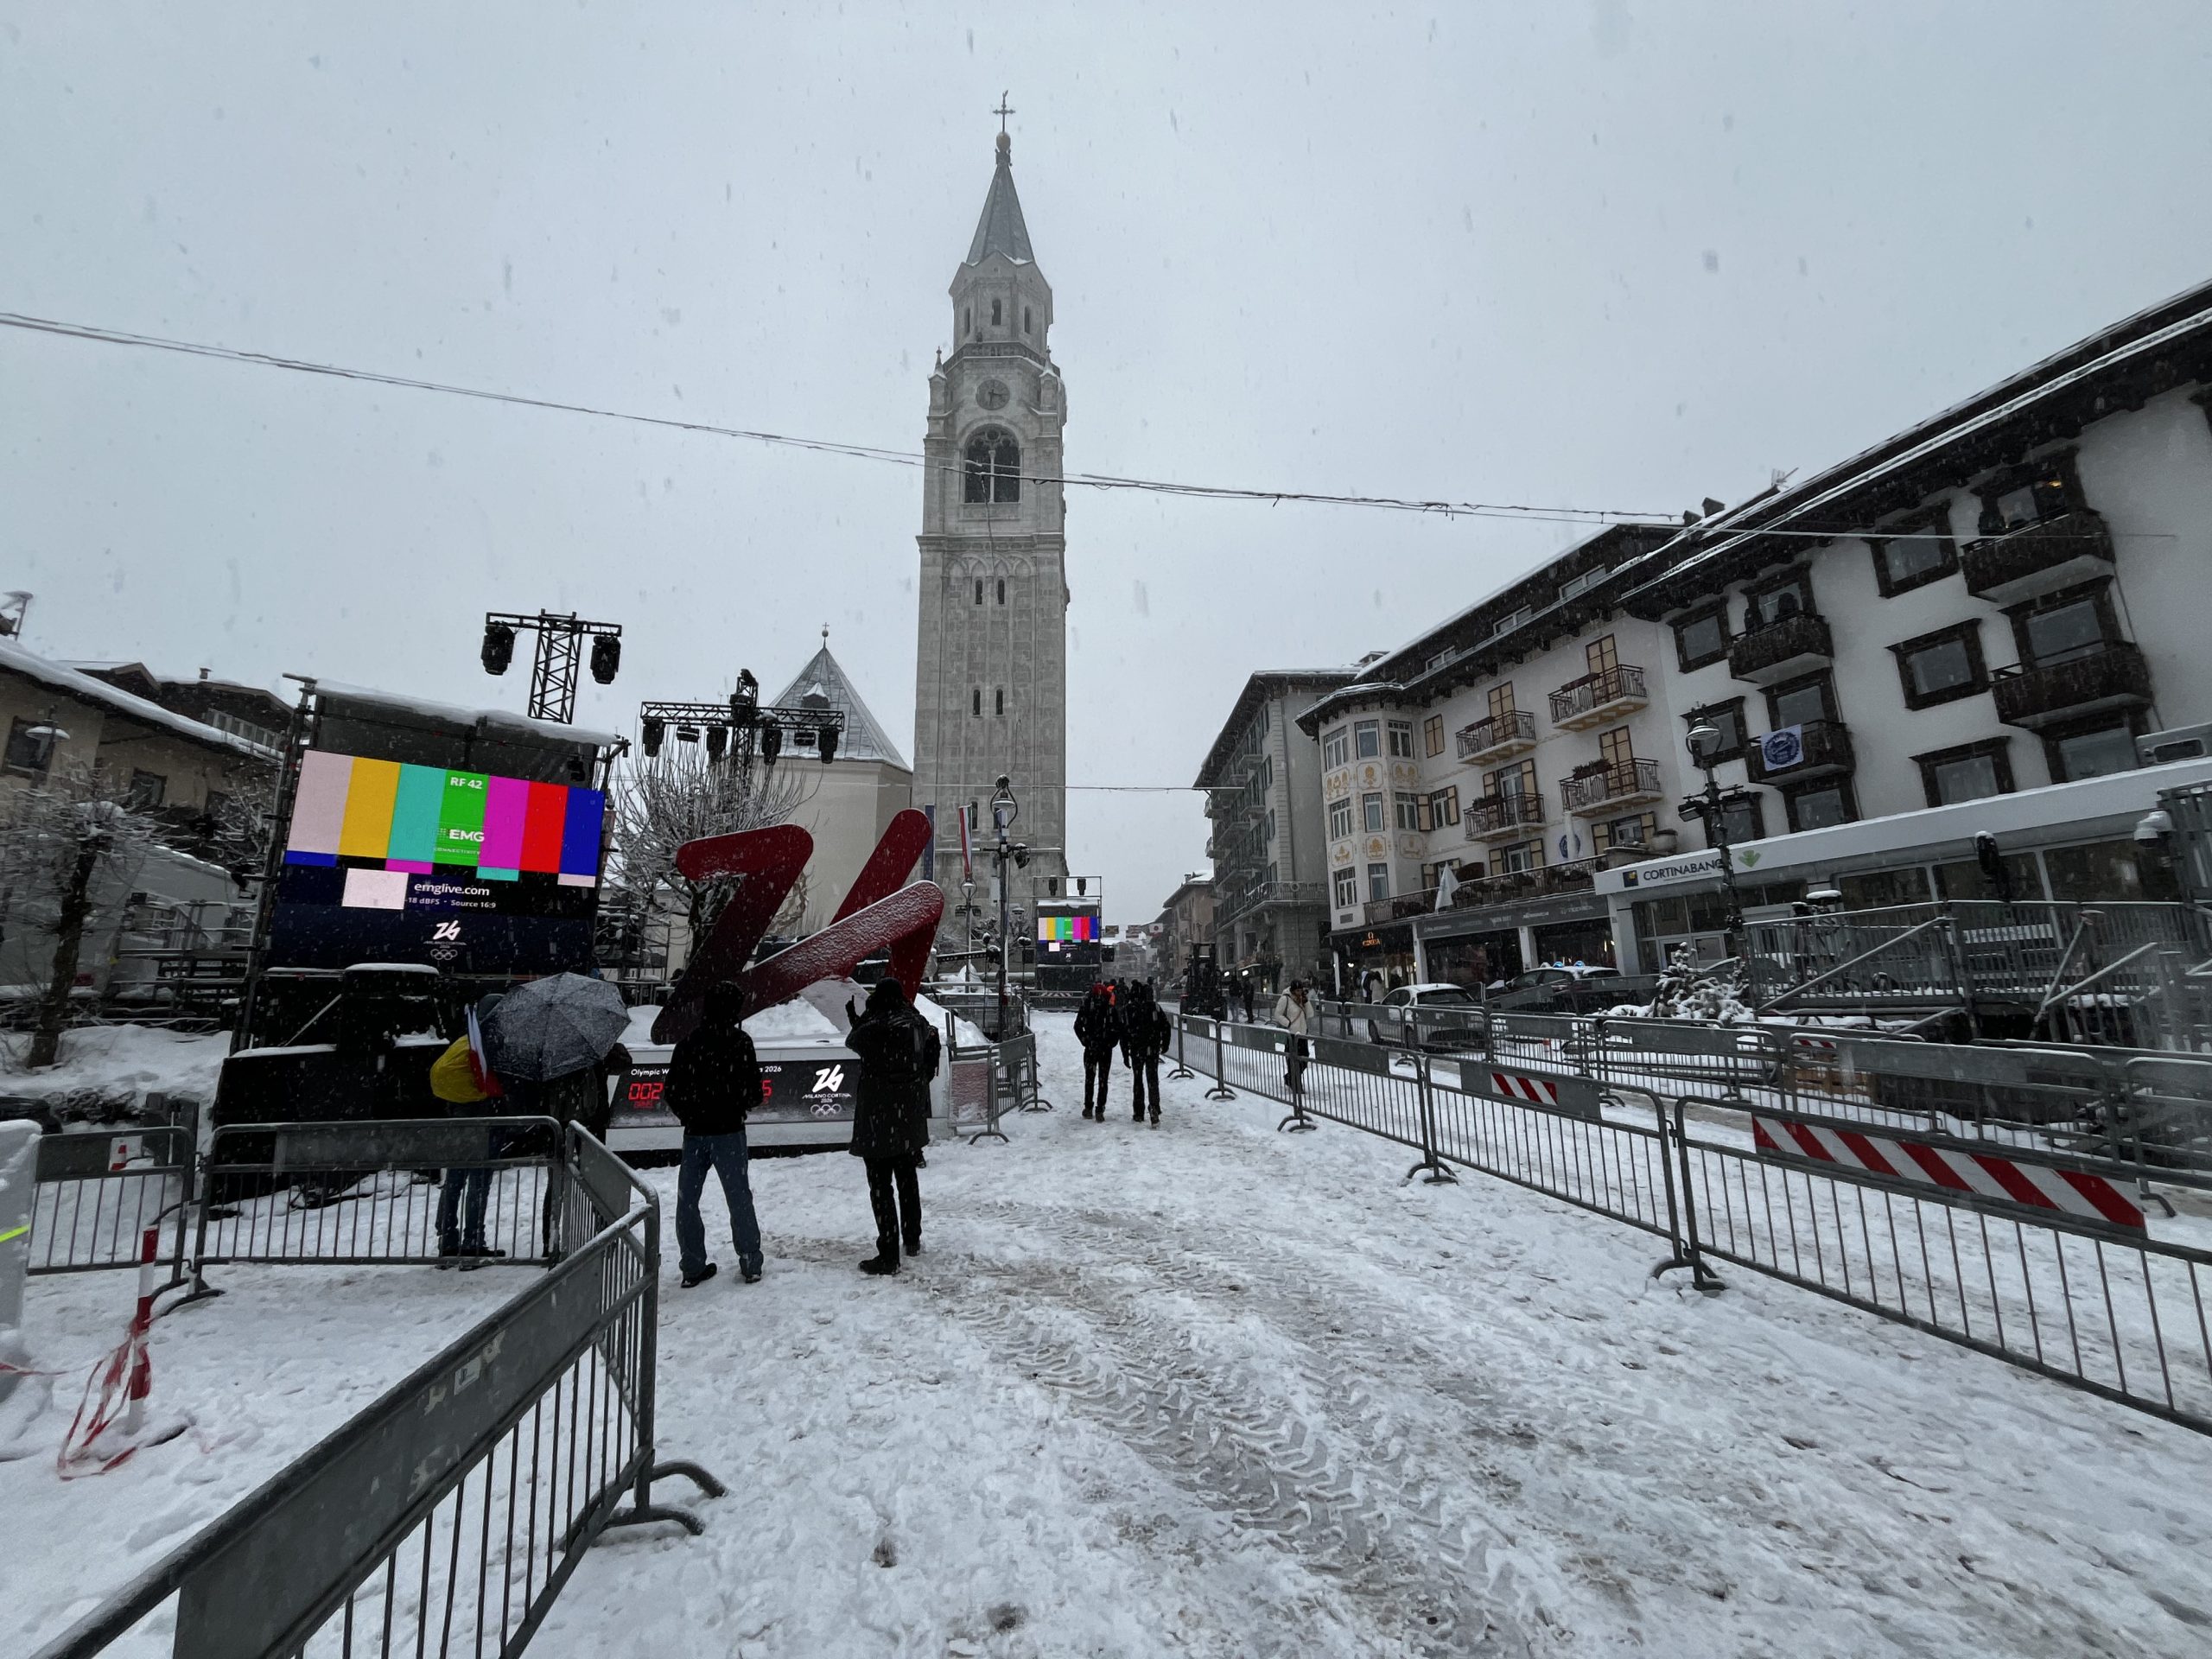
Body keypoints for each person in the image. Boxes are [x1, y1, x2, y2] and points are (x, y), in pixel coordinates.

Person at [663, 980, 765, 1288]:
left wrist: (690, 1114)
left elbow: (672, 1090)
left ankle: (692, 1265)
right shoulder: (740, 1042)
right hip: (729, 1131)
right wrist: (738, 1105)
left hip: (695, 1133)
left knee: (688, 1201)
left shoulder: (689, 1043)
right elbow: (754, 1091)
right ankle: (750, 1261)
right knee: (739, 1197)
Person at [843, 977, 938, 1276]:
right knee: (907, 1179)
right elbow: (929, 1040)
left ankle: (888, 1251)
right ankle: (912, 1238)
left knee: (881, 1187)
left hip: (877, 1118)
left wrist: (862, 1017)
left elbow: (853, 1041)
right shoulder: (914, 1022)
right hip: (907, 1117)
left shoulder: (874, 1026)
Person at [430, 995, 506, 1268]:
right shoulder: (490, 1045)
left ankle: (447, 1243)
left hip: (457, 1112)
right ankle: (473, 1243)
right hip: (480, 1116)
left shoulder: (468, 1040)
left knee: (455, 1178)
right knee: (479, 1180)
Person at [1121, 980, 1173, 1127]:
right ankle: (1154, 1107)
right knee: (1152, 1079)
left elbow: (1124, 1033)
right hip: (1152, 1048)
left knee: (1138, 1080)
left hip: (1137, 1049)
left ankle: (1138, 1111)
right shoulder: (1154, 1008)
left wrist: (1125, 1053)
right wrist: (1165, 1044)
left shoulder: (1129, 1010)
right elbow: (1166, 1027)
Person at [1073, 982, 1122, 1121]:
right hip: (1105, 1048)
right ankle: (1100, 1108)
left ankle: (1088, 1107)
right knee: (1103, 1079)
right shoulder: (1110, 1009)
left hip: (1091, 1047)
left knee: (1090, 1077)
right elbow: (1117, 1028)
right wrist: (1112, 1042)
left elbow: (1077, 1026)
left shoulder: (1087, 1007)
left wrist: (1085, 1040)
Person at [1274, 980, 1313, 1096]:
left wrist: (1306, 1002)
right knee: (1293, 1061)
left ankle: (1290, 1078)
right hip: (1291, 1034)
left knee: (1304, 1059)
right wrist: (1288, 1023)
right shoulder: (1285, 999)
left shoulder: (1302, 1000)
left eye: (1301, 990)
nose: (1299, 993)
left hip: (1302, 1034)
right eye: (1297, 991)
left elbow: (1310, 1014)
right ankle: (1296, 1083)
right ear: (1292, 990)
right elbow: (1278, 1014)